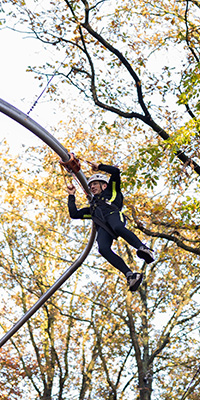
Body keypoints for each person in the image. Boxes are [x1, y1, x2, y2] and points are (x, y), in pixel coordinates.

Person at [67, 162, 154, 292]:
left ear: (104, 185)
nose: (92, 187)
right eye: (90, 185)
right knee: (103, 248)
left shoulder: (111, 191)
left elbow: (115, 172)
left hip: (113, 214)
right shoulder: (93, 209)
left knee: (118, 227)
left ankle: (143, 248)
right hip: (104, 227)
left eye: (95, 184)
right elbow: (74, 214)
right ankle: (130, 275)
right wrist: (71, 195)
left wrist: (99, 167)